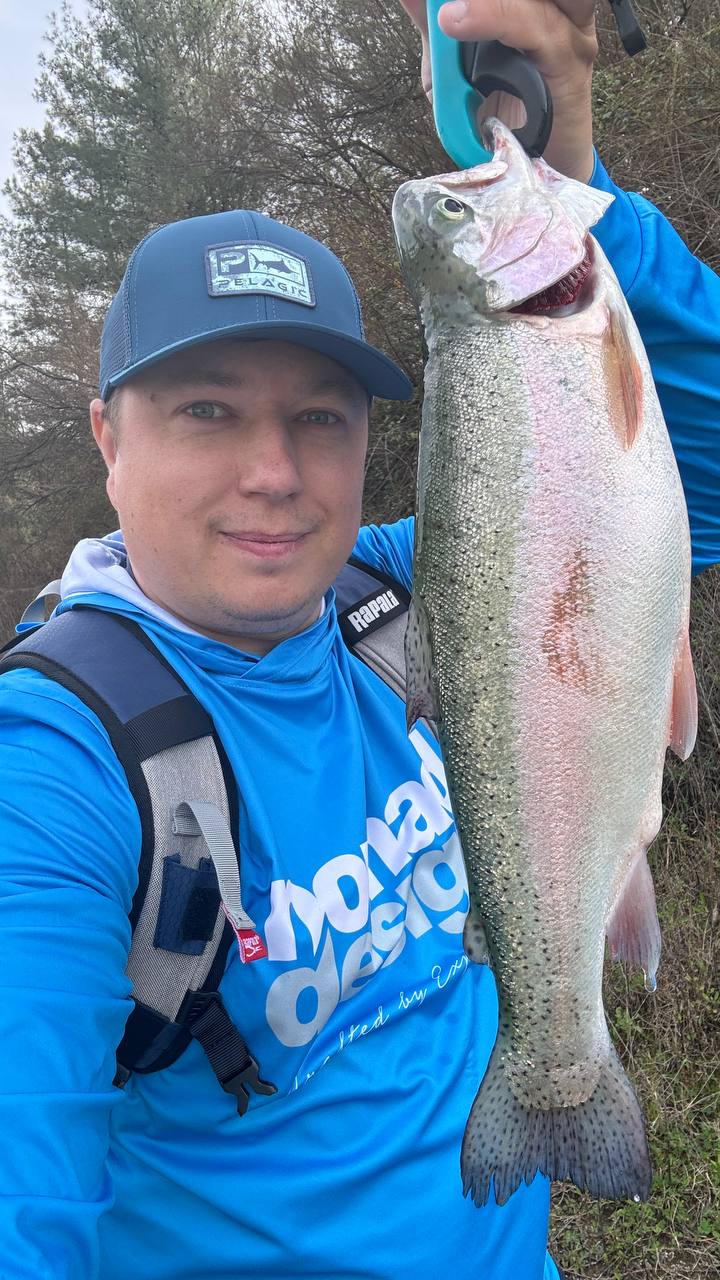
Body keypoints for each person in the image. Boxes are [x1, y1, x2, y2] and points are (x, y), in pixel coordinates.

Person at [0, 5, 718, 1280]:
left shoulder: (406, 587)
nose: (274, 472)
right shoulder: (54, 764)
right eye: (207, 410)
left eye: (321, 416)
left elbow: (672, 482)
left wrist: (577, 175)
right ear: (108, 436)